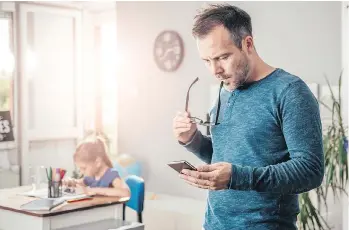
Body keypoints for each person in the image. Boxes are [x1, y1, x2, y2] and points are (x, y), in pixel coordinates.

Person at [173, 4, 324, 230]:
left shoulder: (290, 92)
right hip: (214, 224)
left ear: (248, 44)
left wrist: (237, 177)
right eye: (206, 61)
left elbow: (310, 171)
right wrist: (191, 139)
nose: (215, 70)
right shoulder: (226, 89)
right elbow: (225, 155)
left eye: (222, 57)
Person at [63, 135, 130, 197]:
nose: (81, 172)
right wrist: (71, 182)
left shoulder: (111, 174)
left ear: (98, 162)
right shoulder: (92, 176)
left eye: (84, 168)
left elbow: (125, 192)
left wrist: (94, 190)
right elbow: (80, 182)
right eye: (80, 168)